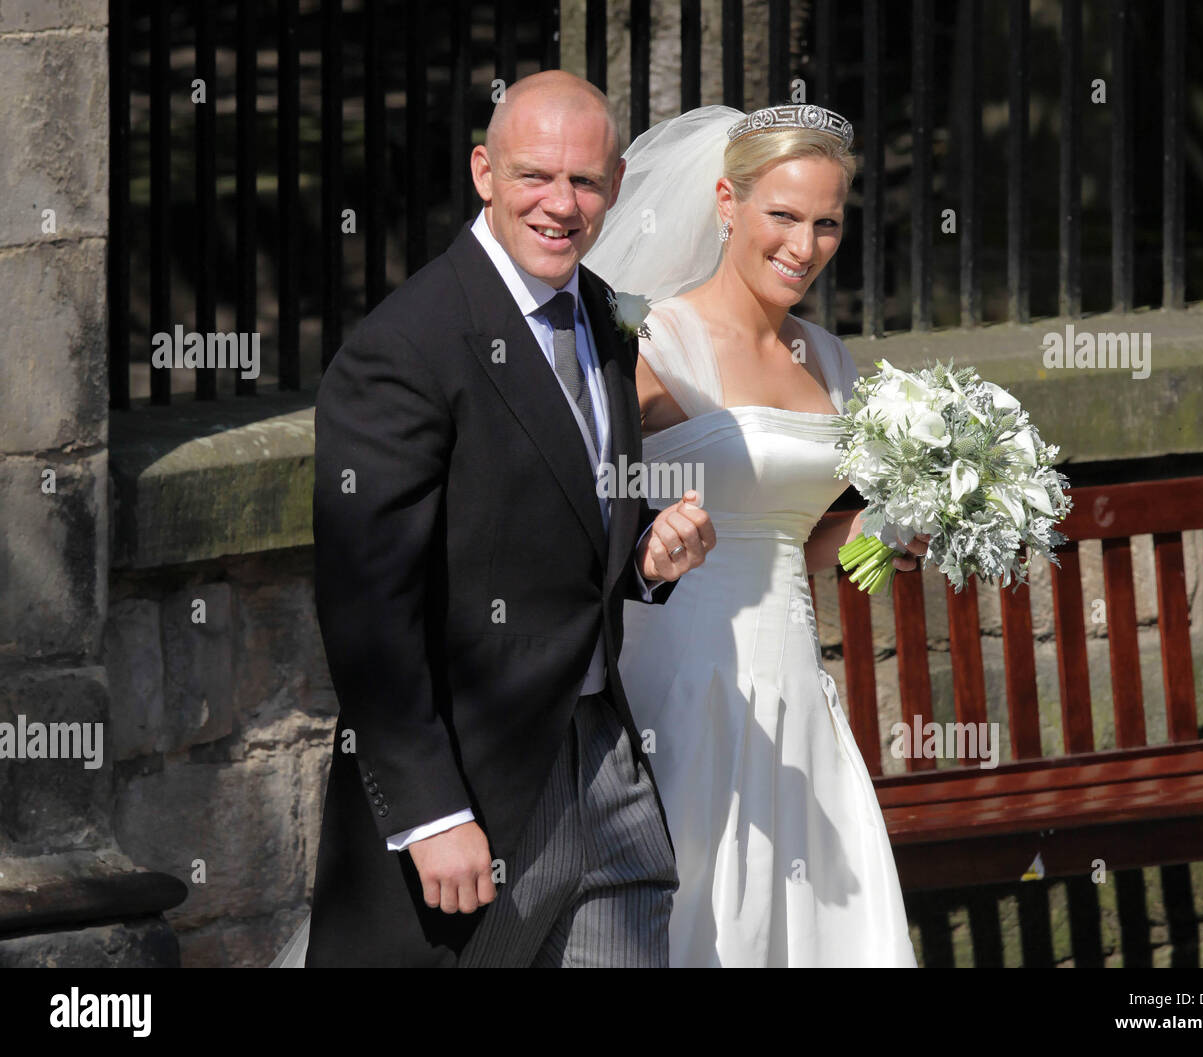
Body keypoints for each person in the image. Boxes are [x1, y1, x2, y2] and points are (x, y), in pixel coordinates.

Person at [276, 71, 715, 968]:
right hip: (477, 791)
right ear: (483, 172)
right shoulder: (404, 347)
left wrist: (643, 554)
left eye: (585, 182)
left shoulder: (604, 313)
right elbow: (367, 603)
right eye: (534, 177)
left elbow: (561, 504)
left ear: (618, 185)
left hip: (608, 765)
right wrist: (431, 810)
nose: (561, 204)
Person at [584, 103, 924, 966]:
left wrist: (889, 532)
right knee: (698, 898)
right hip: (687, 670)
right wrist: (653, 533)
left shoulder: (830, 360)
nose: (803, 247)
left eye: (826, 224)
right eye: (783, 217)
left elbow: (801, 536)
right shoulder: (656, 340)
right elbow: (594, 501)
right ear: (728, 204)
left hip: (797, 677)